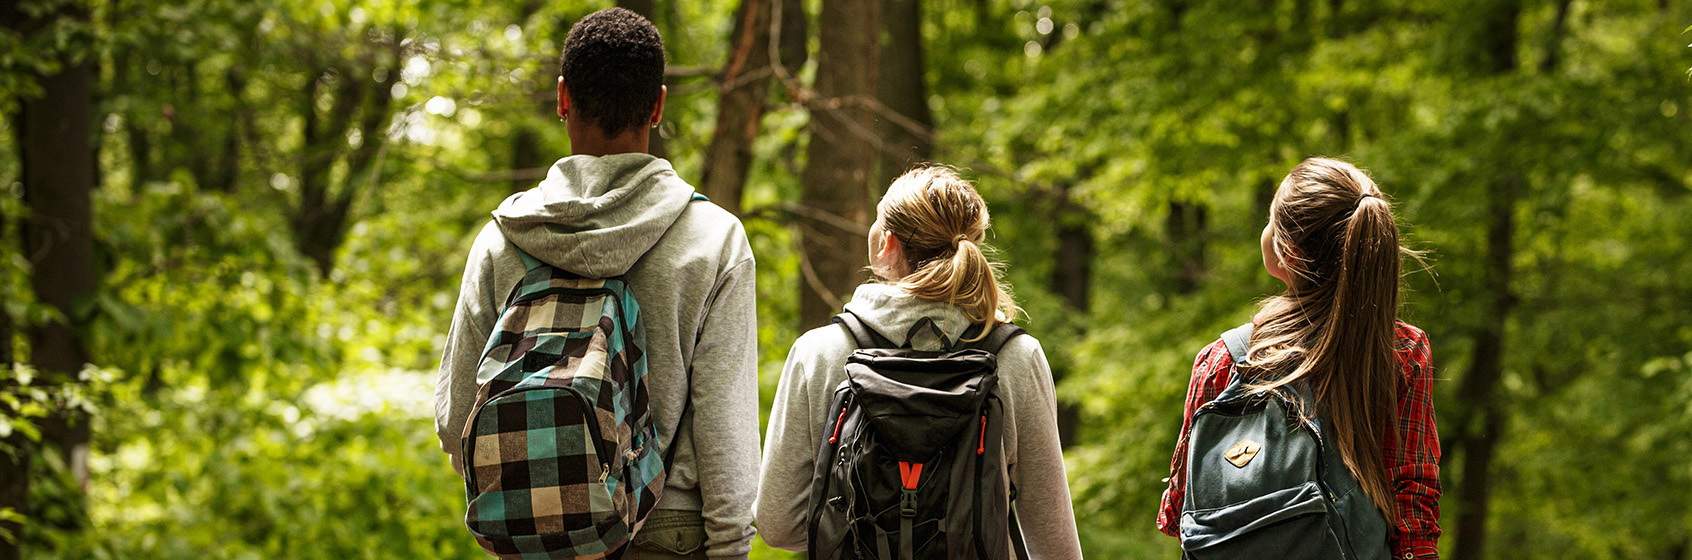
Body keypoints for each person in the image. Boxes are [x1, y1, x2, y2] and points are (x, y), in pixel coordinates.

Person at [433, 8, 760, 560]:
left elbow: (455, 418)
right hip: (667, 533)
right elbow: (725, 434)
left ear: (562, 98)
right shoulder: (713, 239)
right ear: (656, 105)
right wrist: (730, 549)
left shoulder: (503, 240)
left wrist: (542, 495)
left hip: (536, 538)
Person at [753, 166, 1083, 560]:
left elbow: (777, 524)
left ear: (886, 244)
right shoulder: (1014, 356)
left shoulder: (821, 352)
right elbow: (1053, 541)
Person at [1158, 158, 1442, 559]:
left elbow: (1179, 513)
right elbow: (1414, 498)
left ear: (1286, 252)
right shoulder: (1401, 351)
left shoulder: (1222, 360)